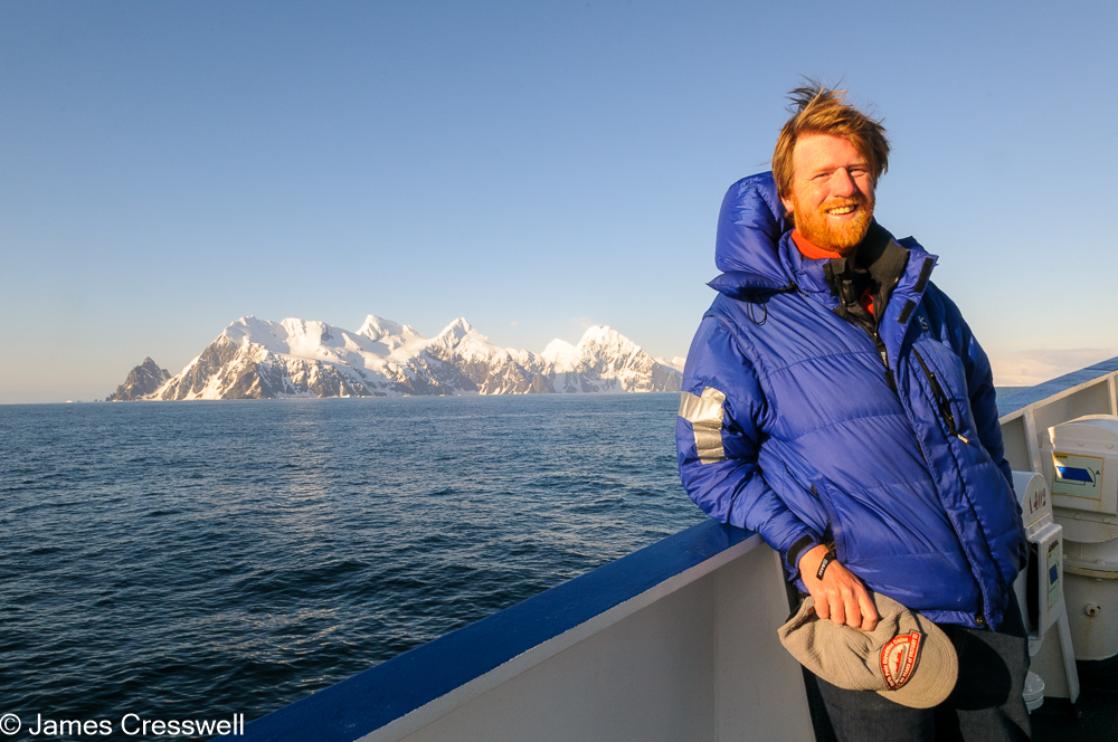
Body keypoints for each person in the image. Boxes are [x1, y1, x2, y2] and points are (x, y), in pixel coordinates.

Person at [676, 83, 1031, 741]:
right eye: (822, 173)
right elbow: (708, 465)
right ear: (786, 196)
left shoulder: (926, 301)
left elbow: (980, 415)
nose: (844, 185)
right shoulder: (736, 325)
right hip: (873, 616)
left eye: (857, 168)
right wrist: (806, 552)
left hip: (988, 599)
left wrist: (1000, 521)